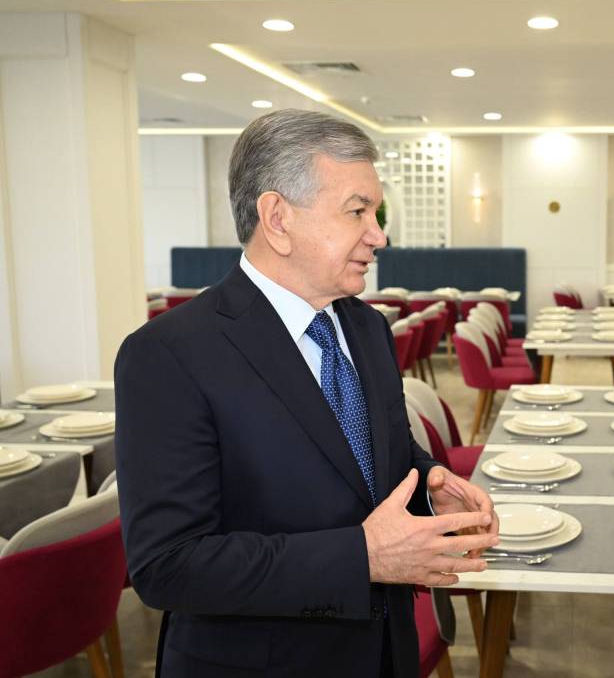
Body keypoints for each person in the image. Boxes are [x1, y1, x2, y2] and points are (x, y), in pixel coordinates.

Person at [115, 109, 499, 677]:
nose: (379, 235)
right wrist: (361, 557)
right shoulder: (169, 353)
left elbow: (379, 459)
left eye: (376, 213)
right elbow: (168, 565)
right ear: (278, 218)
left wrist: (430, 488)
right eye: (357, 211)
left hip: (385, 652)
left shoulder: (367, 327)